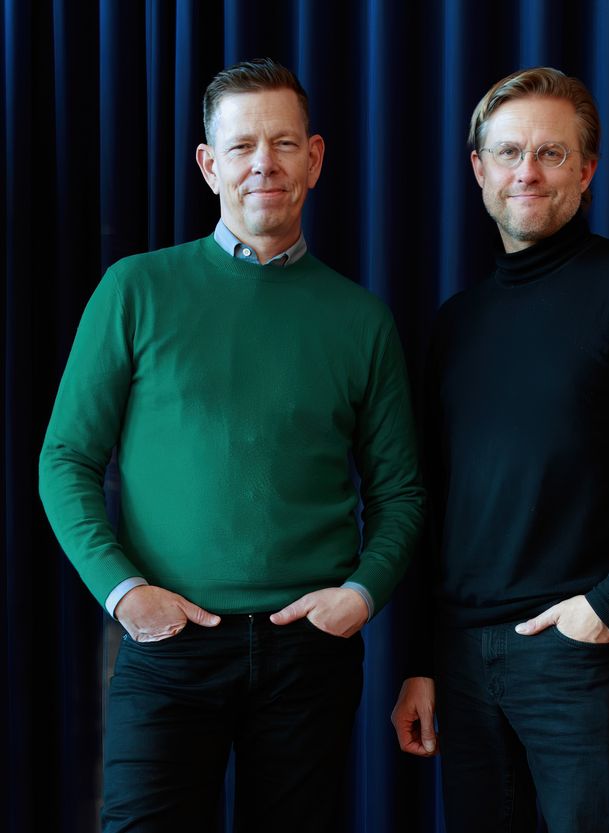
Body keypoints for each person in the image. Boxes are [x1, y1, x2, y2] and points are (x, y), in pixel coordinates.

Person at [40, 58, 424, 833]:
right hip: (169, 643)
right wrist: (125, 594)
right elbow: (66, 460)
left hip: (308, 653)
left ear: (314, 159)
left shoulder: (360, 319)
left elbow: (401, 493)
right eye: (243, 145)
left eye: (283, 143)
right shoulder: (135, 290)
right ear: (210, 164)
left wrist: (360, 595)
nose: (264, 164)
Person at [391, 66, 609, 833]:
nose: (528, 171)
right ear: (478, 169)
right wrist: (419, 659)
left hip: (579, 659)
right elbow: (431, 501)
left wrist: (607, 610)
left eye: (551, 153)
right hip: (462, 663)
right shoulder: (457, 324)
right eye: (509, 152)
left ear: (586, 169)